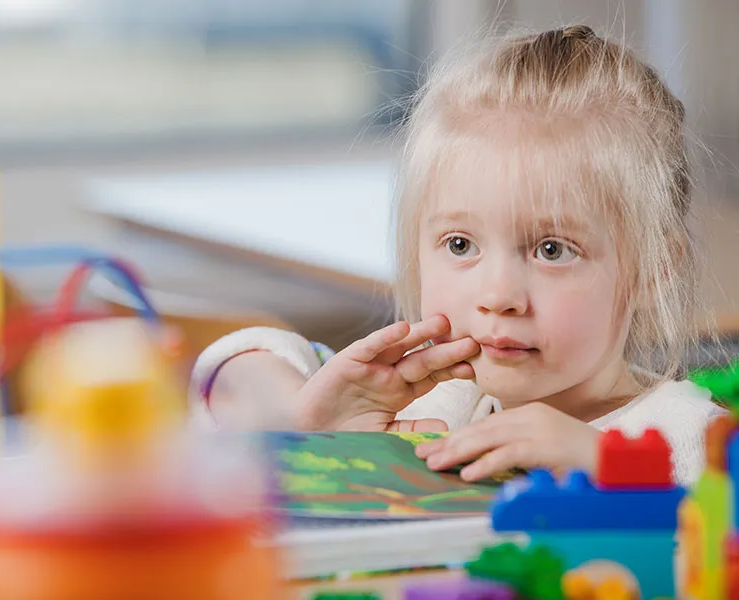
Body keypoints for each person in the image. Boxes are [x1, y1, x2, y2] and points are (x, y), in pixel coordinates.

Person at [189, 25, 725, 485]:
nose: (498, 297)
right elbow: (234, 365)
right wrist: (303, 420)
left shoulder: (693, 443)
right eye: (460, 245)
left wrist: (610, 466)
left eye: (552, 249)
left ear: (655, 269)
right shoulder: (433, 404)